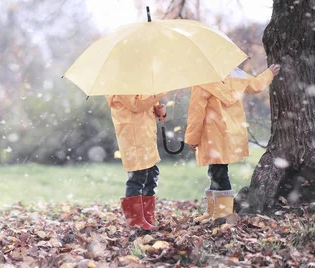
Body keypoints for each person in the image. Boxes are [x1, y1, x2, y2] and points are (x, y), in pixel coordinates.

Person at [185, 64, 281, 221]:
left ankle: (222, 214)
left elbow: (196, 112)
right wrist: (269, 73)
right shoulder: (235, 74)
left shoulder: (202, 81)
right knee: (216, 171)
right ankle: (213, 212)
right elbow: (256, 85)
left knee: (218, 173)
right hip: (230, 132)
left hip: (213, 134)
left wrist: (192, 138)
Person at [107, 94, 167, 230]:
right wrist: (158, 94)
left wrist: (158, 111)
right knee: (137, 177)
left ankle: (147, 216)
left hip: (146, 136)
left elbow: (147, 104)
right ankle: (136, 221)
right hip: (132, 137)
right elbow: (136, 105)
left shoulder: (140, 81)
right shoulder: (121, 84)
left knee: (152, 175)